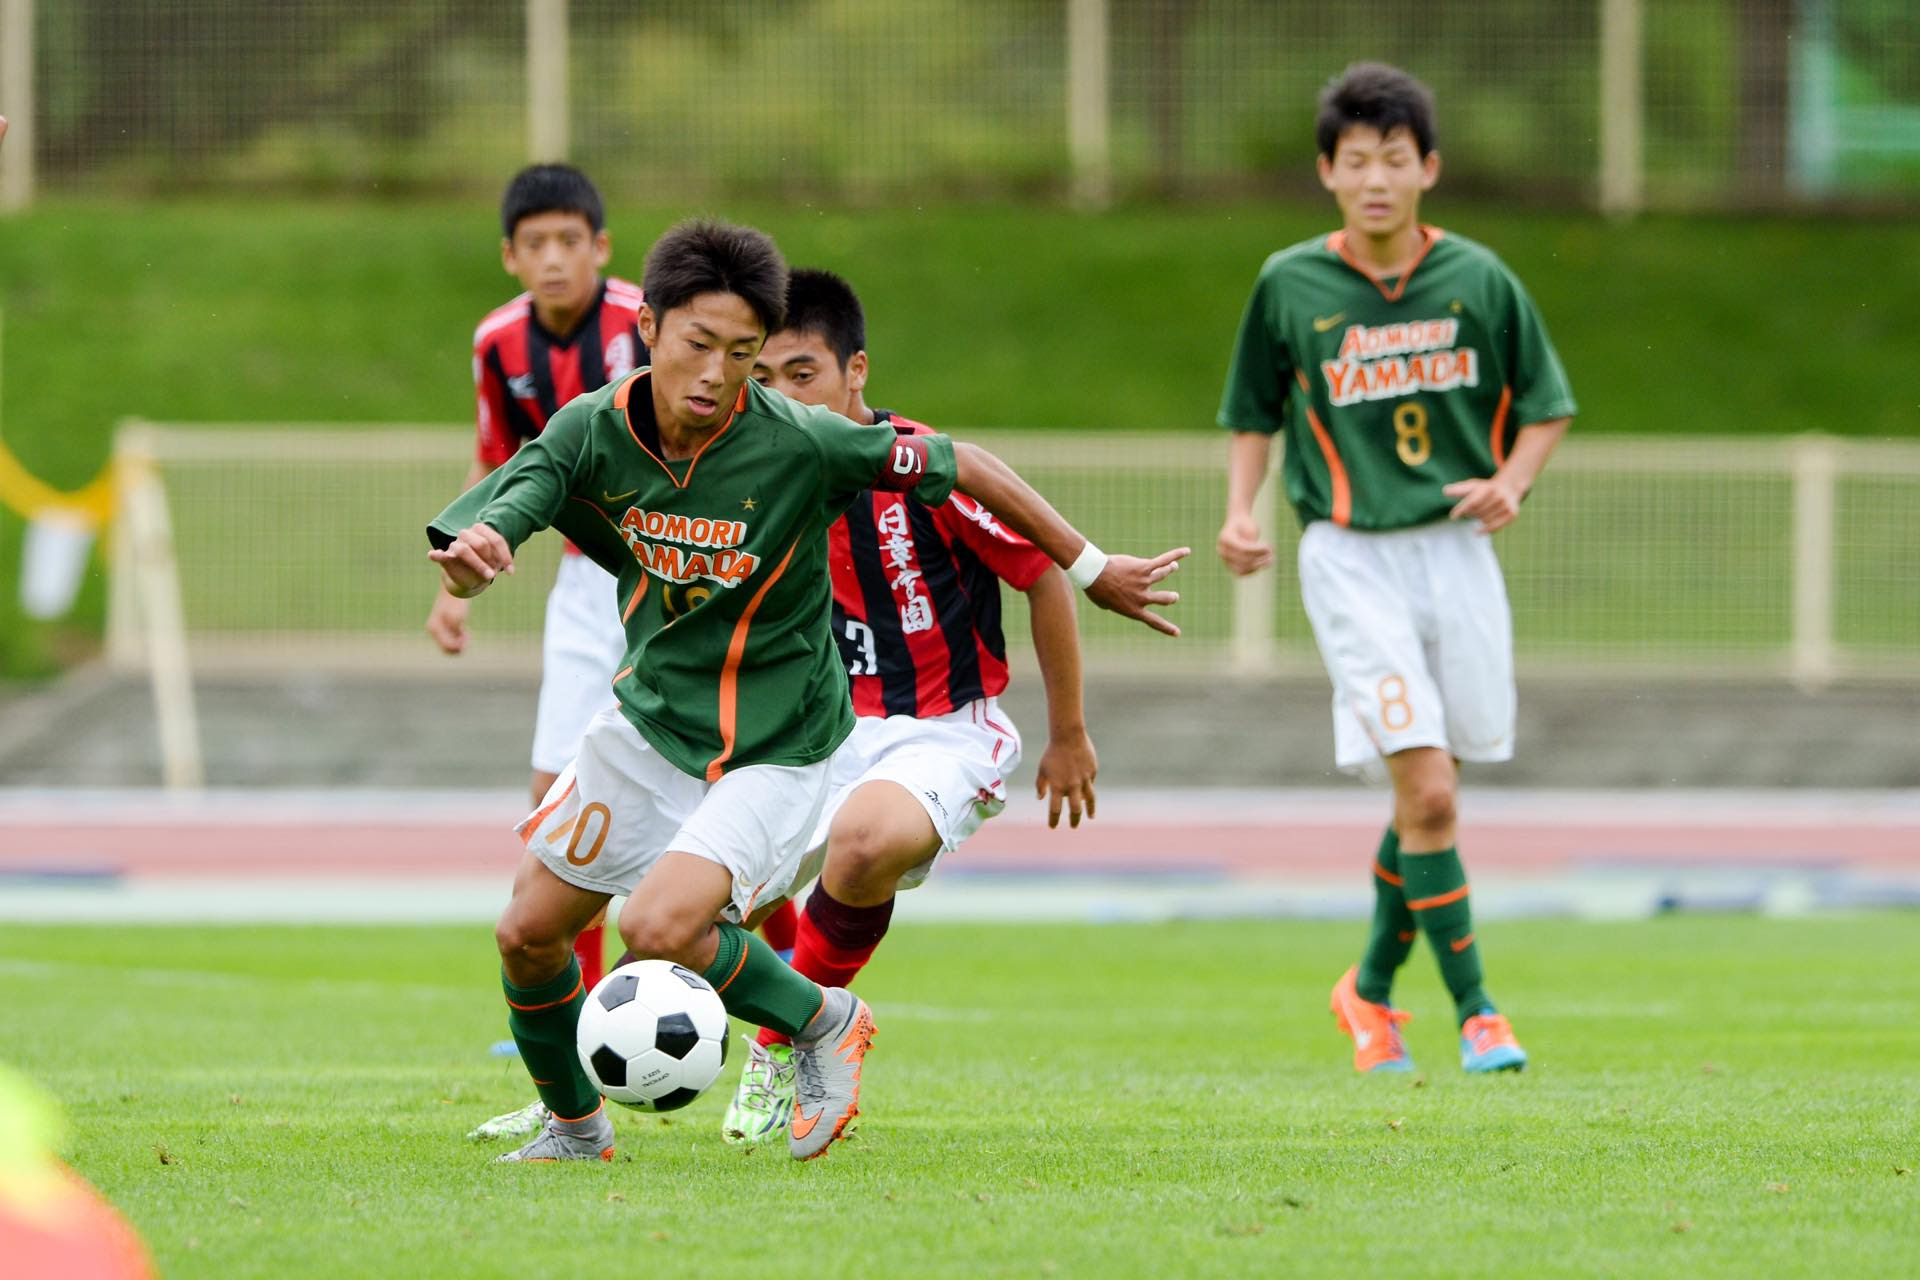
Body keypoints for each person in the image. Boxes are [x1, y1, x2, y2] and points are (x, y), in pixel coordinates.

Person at [430, 218, 1186, 1163]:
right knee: (526, 934)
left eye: (743, 355)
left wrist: (1089, 565)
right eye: (699, 345)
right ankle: (576, 1131)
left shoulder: (801, 443)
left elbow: (963, 463)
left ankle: (825, 1019)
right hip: (651, 723)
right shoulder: (593, 428)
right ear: (650, 329)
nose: (718, 374)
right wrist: (475, 559)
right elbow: (512, 500)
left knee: (658, 925)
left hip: (780, 743)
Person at [1214, 63, 1575, 1075]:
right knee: (1432, 791)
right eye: (1357, 159)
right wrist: (1241, 513)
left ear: (1430, 168)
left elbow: (1547, 404)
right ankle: (1479, 1012)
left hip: (1456, 551)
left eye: (1398, 158)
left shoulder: (1480, 277)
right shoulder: (1289, 282)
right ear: (1328, 171)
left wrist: (1513, 478)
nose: (1378, 177)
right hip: (1350, 556)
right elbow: (1253, 410)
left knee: (1428, 797)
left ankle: (1367, 991)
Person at [427, 165, 643, 1062]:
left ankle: (777, 979)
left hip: (681, 569)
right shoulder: (497, 343)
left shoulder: (648, 322)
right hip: (586, 582)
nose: (554, 259)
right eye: (536, 244)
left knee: (726, 781)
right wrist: (453, 589)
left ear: (601, 247)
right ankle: (573, 1012)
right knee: (555, 791)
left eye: (571, 241)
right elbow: (499, 458)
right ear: (510, 256)